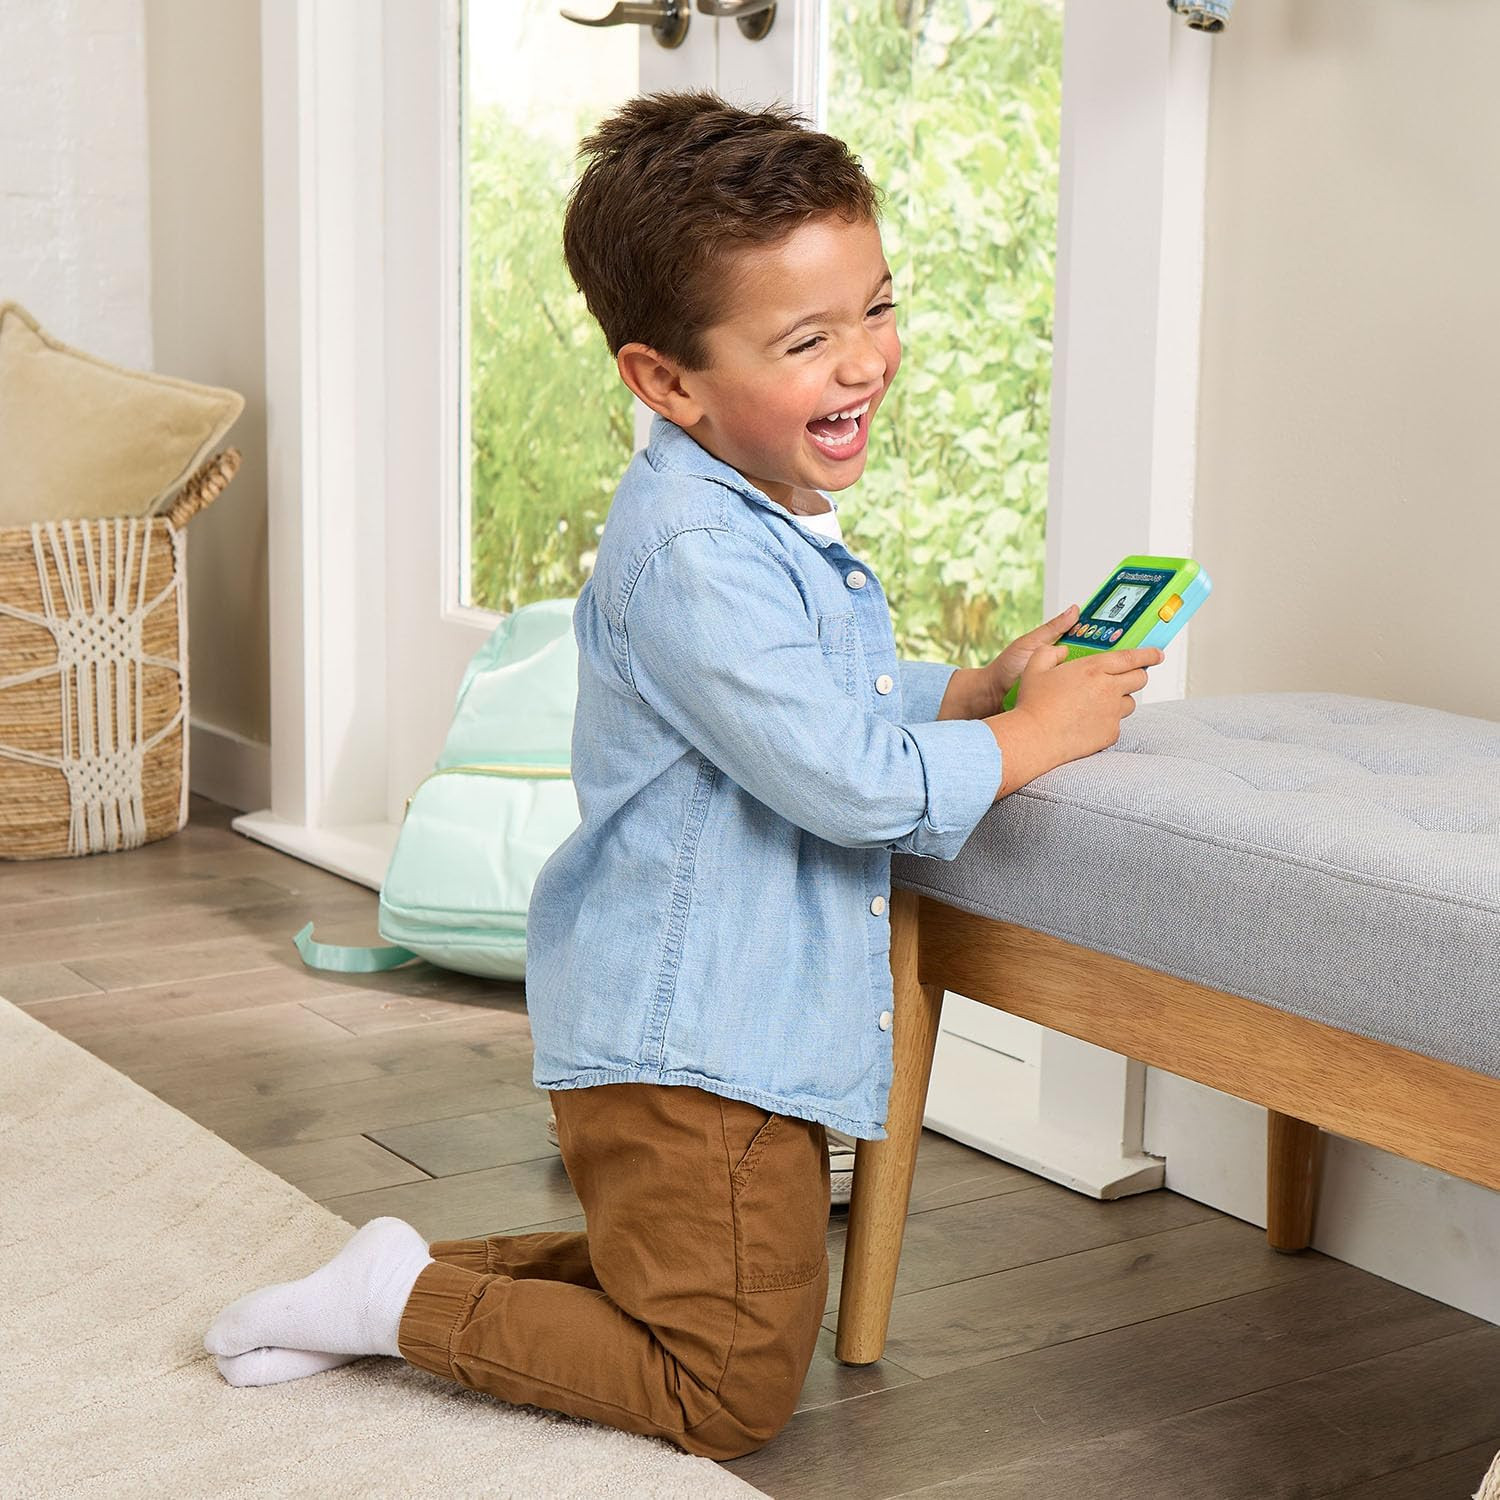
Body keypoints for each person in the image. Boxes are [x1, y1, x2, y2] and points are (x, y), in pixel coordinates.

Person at [204, 89, 1161, 1461]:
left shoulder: (746, 515)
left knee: (715, 1288)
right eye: (808, 341)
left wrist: (962, 693)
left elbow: (804, 704)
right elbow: (847, 779)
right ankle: (399, 1306)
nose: (865, 360)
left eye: (878, 308)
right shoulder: (700, 552)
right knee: (724, 1388)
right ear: (667, 382)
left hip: (738, 1028)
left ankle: (396, 1282)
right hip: (694, 1042)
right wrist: (1032, 737)